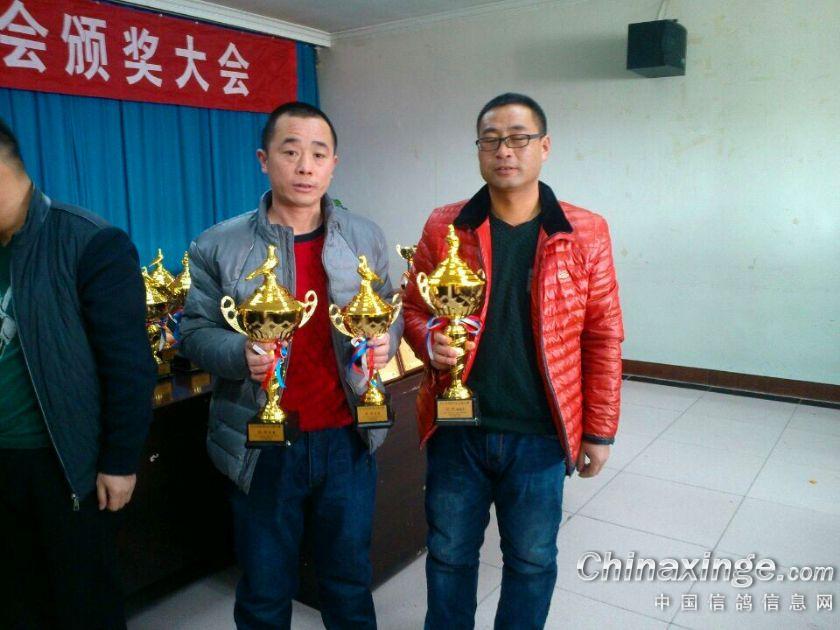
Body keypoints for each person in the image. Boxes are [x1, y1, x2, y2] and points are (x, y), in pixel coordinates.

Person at [402, 93, 624, 629]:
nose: (505, 150)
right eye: (491, 139)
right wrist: (430, 339)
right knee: (449, 554)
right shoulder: (444, 224)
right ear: (479, 149)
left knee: (531, 560)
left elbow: (603, 336)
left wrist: (599, 430)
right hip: (457, 428)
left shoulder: (585, 231)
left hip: (540, 432)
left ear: (544, 147)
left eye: (519, 138)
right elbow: (413, 308)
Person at [180, 102, 403, 630]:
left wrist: (385, 343)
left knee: (349, 585)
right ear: (264, 160)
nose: (305, 166)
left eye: (318, 154)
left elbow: (388, 312)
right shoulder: (219, 244)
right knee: (264, 590)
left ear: (333, 165)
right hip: (261, 443)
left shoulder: (364, 236)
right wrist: (241, 353)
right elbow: (194, 334)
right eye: (290, 151)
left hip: (348, 439)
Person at [0, 118, 156, 628]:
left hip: (64, 464)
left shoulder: (88, 242)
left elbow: (128, 364)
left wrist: (120, 460)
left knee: (82, 602)